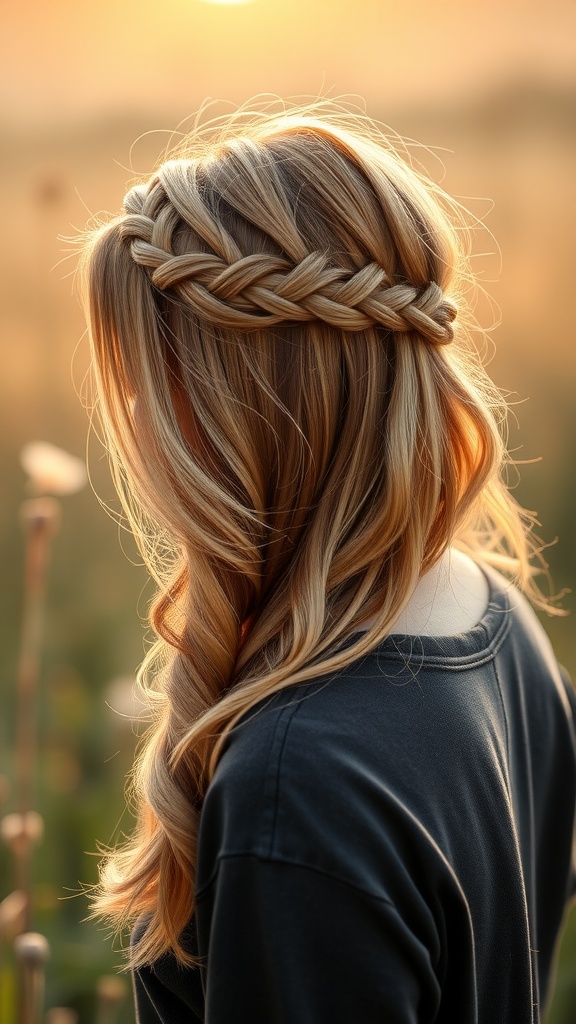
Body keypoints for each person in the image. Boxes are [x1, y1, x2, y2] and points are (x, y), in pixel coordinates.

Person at [77, 102, 576, 1023]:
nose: (139, 430)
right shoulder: (493, 618)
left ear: (217, 414)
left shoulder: (298, 790)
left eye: (151, 386)